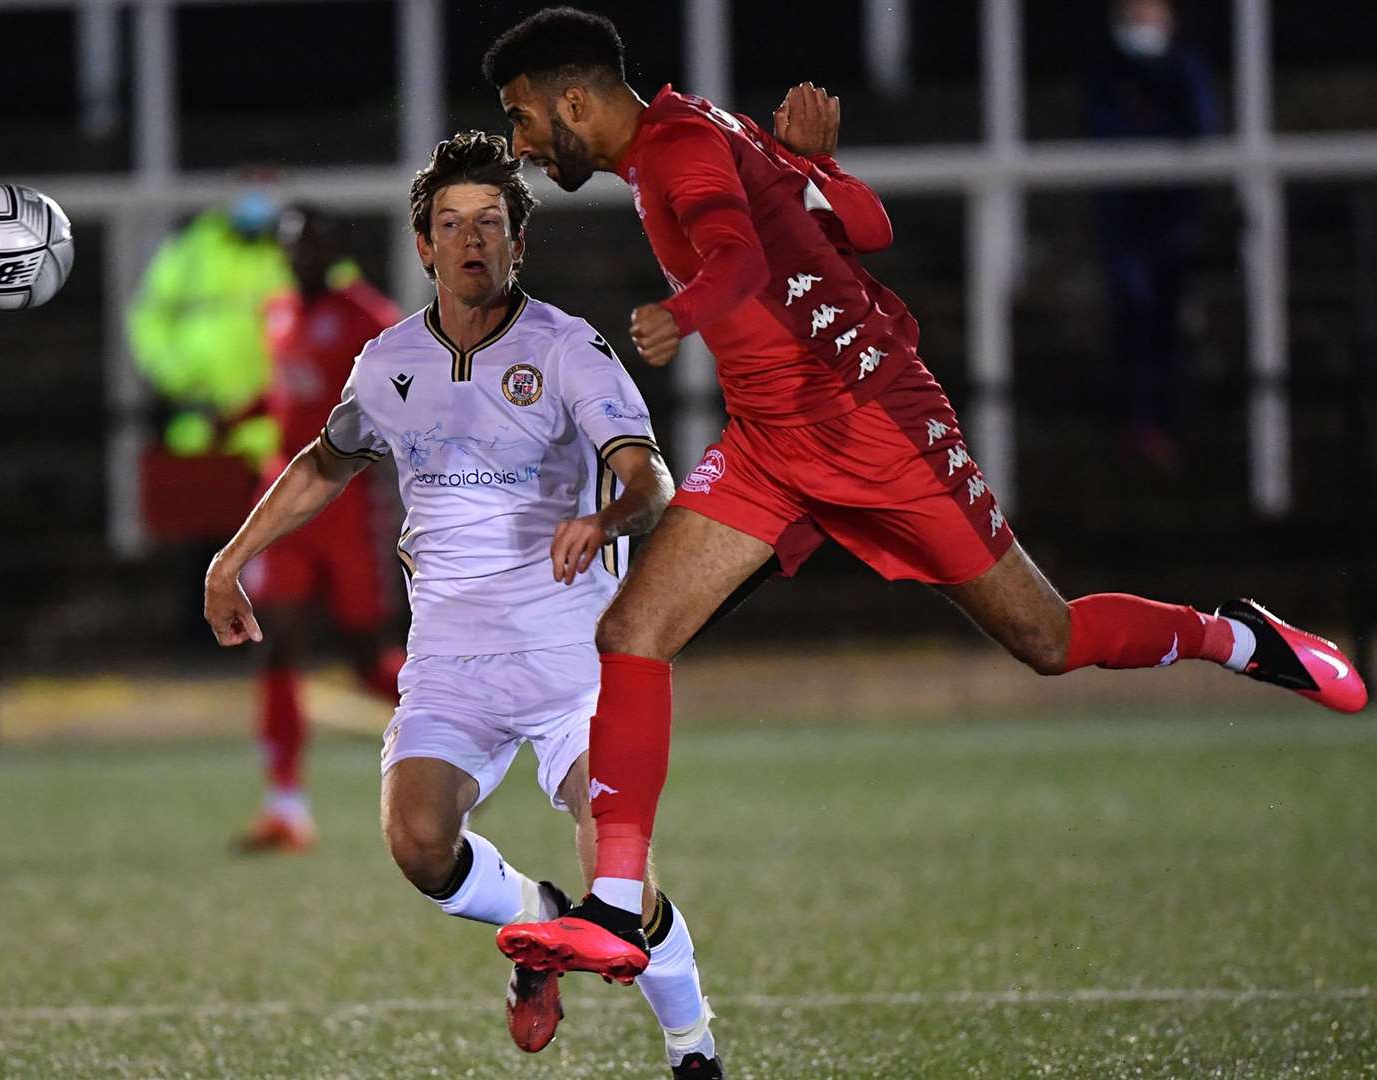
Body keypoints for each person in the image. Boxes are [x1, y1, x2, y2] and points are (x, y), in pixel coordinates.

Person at [481, 6, 1368, 985]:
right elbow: (870, 225)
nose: (519, 142)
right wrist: (810, 166)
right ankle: (615, 908)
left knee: (1049, 639)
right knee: (630, 635)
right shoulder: (709, 130)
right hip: (775, 443)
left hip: (876, 426)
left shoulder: (684, 148)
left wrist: (679, 314)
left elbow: (734, 261)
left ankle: (1238, 638)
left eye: (522, 117)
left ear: (574, 99)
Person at [203, 132, 724, 1078]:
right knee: (416, 841)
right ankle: (538, 920)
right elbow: (327, 459)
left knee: (627, 874)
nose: (472, 240)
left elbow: (652, 484)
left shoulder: (569, 350)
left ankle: (693, 1046)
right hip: (451, 665)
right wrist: (232, 556)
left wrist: (606, 515)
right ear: (423, 246)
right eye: (452, 224)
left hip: (574, 662)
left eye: (492, 222)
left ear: (519, 245)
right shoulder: (387, 361)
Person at [233, 205, 406, 852]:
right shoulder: (277, 312)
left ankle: (464, 736)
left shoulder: (371, 320)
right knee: (277, 639)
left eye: (308, 244)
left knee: (366, 657)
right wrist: (240, 416)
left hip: (349, 504)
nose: (296, 255)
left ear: (334, 249)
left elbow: (401, 404)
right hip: (284, 502)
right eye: (288, 244)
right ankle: (285, 806)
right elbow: (288, 396)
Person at [1087, 0, 1221, 467]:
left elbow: (1201, 126)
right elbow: (1102, 132)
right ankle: (1133, 427)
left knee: (1168, 325)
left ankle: (1169, 426)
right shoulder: (1107, 73)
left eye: (1149, 16)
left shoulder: (1185, 69)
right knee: (1133, 319)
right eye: (1132, 17)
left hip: (1173, 221)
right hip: (1125, 225)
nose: (1141, 27)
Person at [127, 169, 294, 466]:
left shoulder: (298, 248)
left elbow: (343, 311)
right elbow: (148, 316)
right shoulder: (193, 247)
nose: (257, 194)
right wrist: (177, 376)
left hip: (277, 430)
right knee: (198, 507)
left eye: (266, 183)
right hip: (199, 422)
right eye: (248, 182)